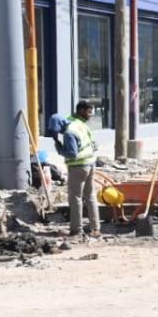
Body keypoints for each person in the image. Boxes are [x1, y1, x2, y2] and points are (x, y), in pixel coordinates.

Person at [55, 101, 99, 238]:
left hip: (78, 167)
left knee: (75, 198)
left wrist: (60, 149)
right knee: (91, 197)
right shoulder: (82, 125)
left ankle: (76, 230)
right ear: (80, 111)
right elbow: (94, 145)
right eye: (89, 112)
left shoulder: (70, 130)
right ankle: (95, 229)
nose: (90, 115)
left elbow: (72, 153)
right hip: (90, 164)